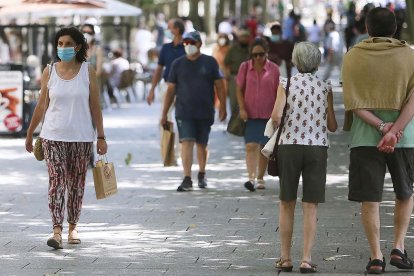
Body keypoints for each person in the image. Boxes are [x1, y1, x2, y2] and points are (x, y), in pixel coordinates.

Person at [342, 7, 414, 274]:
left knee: (369, 199)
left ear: (367, 29)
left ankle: (376, 256)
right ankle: (398, 247)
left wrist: (382, 127)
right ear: (395, 28)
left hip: (364, 137)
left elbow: (352, 102)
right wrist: (395, 130)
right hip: (405, 137)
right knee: (405, 192)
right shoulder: (409, 55)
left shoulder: (353, 56)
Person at [24, 27, 107, 249]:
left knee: (77, 184)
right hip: (52, 136)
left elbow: (95, 105)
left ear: (77, 46)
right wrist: (30, 132)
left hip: (81, 138)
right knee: (57, 182)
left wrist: (101, 136)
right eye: (59, 44)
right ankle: (57, 230)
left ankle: (73, 227)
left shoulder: (87, 71)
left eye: (67, 44)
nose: (63, 48)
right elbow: (42, 105)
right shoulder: (49, 71)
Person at [271, 42, 337, 273]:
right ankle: (306, 259)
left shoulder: (285, 84)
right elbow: (332, 125)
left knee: (287, 203)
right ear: (317, 63)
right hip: (317, 148)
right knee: (310, 205)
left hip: (289, 146)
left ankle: (285, 258)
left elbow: (276, 116)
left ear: (295, 62)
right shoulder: (325, 87)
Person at [160, 31, 227, 192]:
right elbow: (170, 90)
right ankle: (187, 177)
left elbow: (219, 85)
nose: (188, 45)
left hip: (205, 110)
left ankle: (202, 173)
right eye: (186, 43)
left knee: (202, 144)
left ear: (199, 44)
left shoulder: (210, 62)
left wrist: (223, 106)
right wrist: (164, 113)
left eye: (192, 42)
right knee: (186, 142)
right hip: (184, 111)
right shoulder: (177, 64)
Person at [236, 38, 280, 191]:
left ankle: (260, 177)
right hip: (250, 114)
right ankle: (250, 177)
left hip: (268, 115)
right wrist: (241, 108)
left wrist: (277, 114)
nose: (258, 58)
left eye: (261, 54)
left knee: (263, 148)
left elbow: (279, 93)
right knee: (250, 146)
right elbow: (239, 89)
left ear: (266, 53)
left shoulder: (274, 69)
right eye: (254, 55)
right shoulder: (244, 67)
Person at [146, 18, 185, 106]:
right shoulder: (166, 48)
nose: (166, 31)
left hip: (185, 88)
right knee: (164, 117)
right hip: (167, 86)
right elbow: (159, 69)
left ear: (176, 29)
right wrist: (152, 90)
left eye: (169, 28)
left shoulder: (187, 48)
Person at [223, 29, 250, 122]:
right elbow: (226, 62)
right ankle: (234, 122)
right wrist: (227, 74)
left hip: (249, 78)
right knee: (234, 101)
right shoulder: (233, 49)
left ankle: (246, 120)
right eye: (242, 37)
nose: (244, 39)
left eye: (246, 37)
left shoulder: (251, 49)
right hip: (235, 76)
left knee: (248, 100)